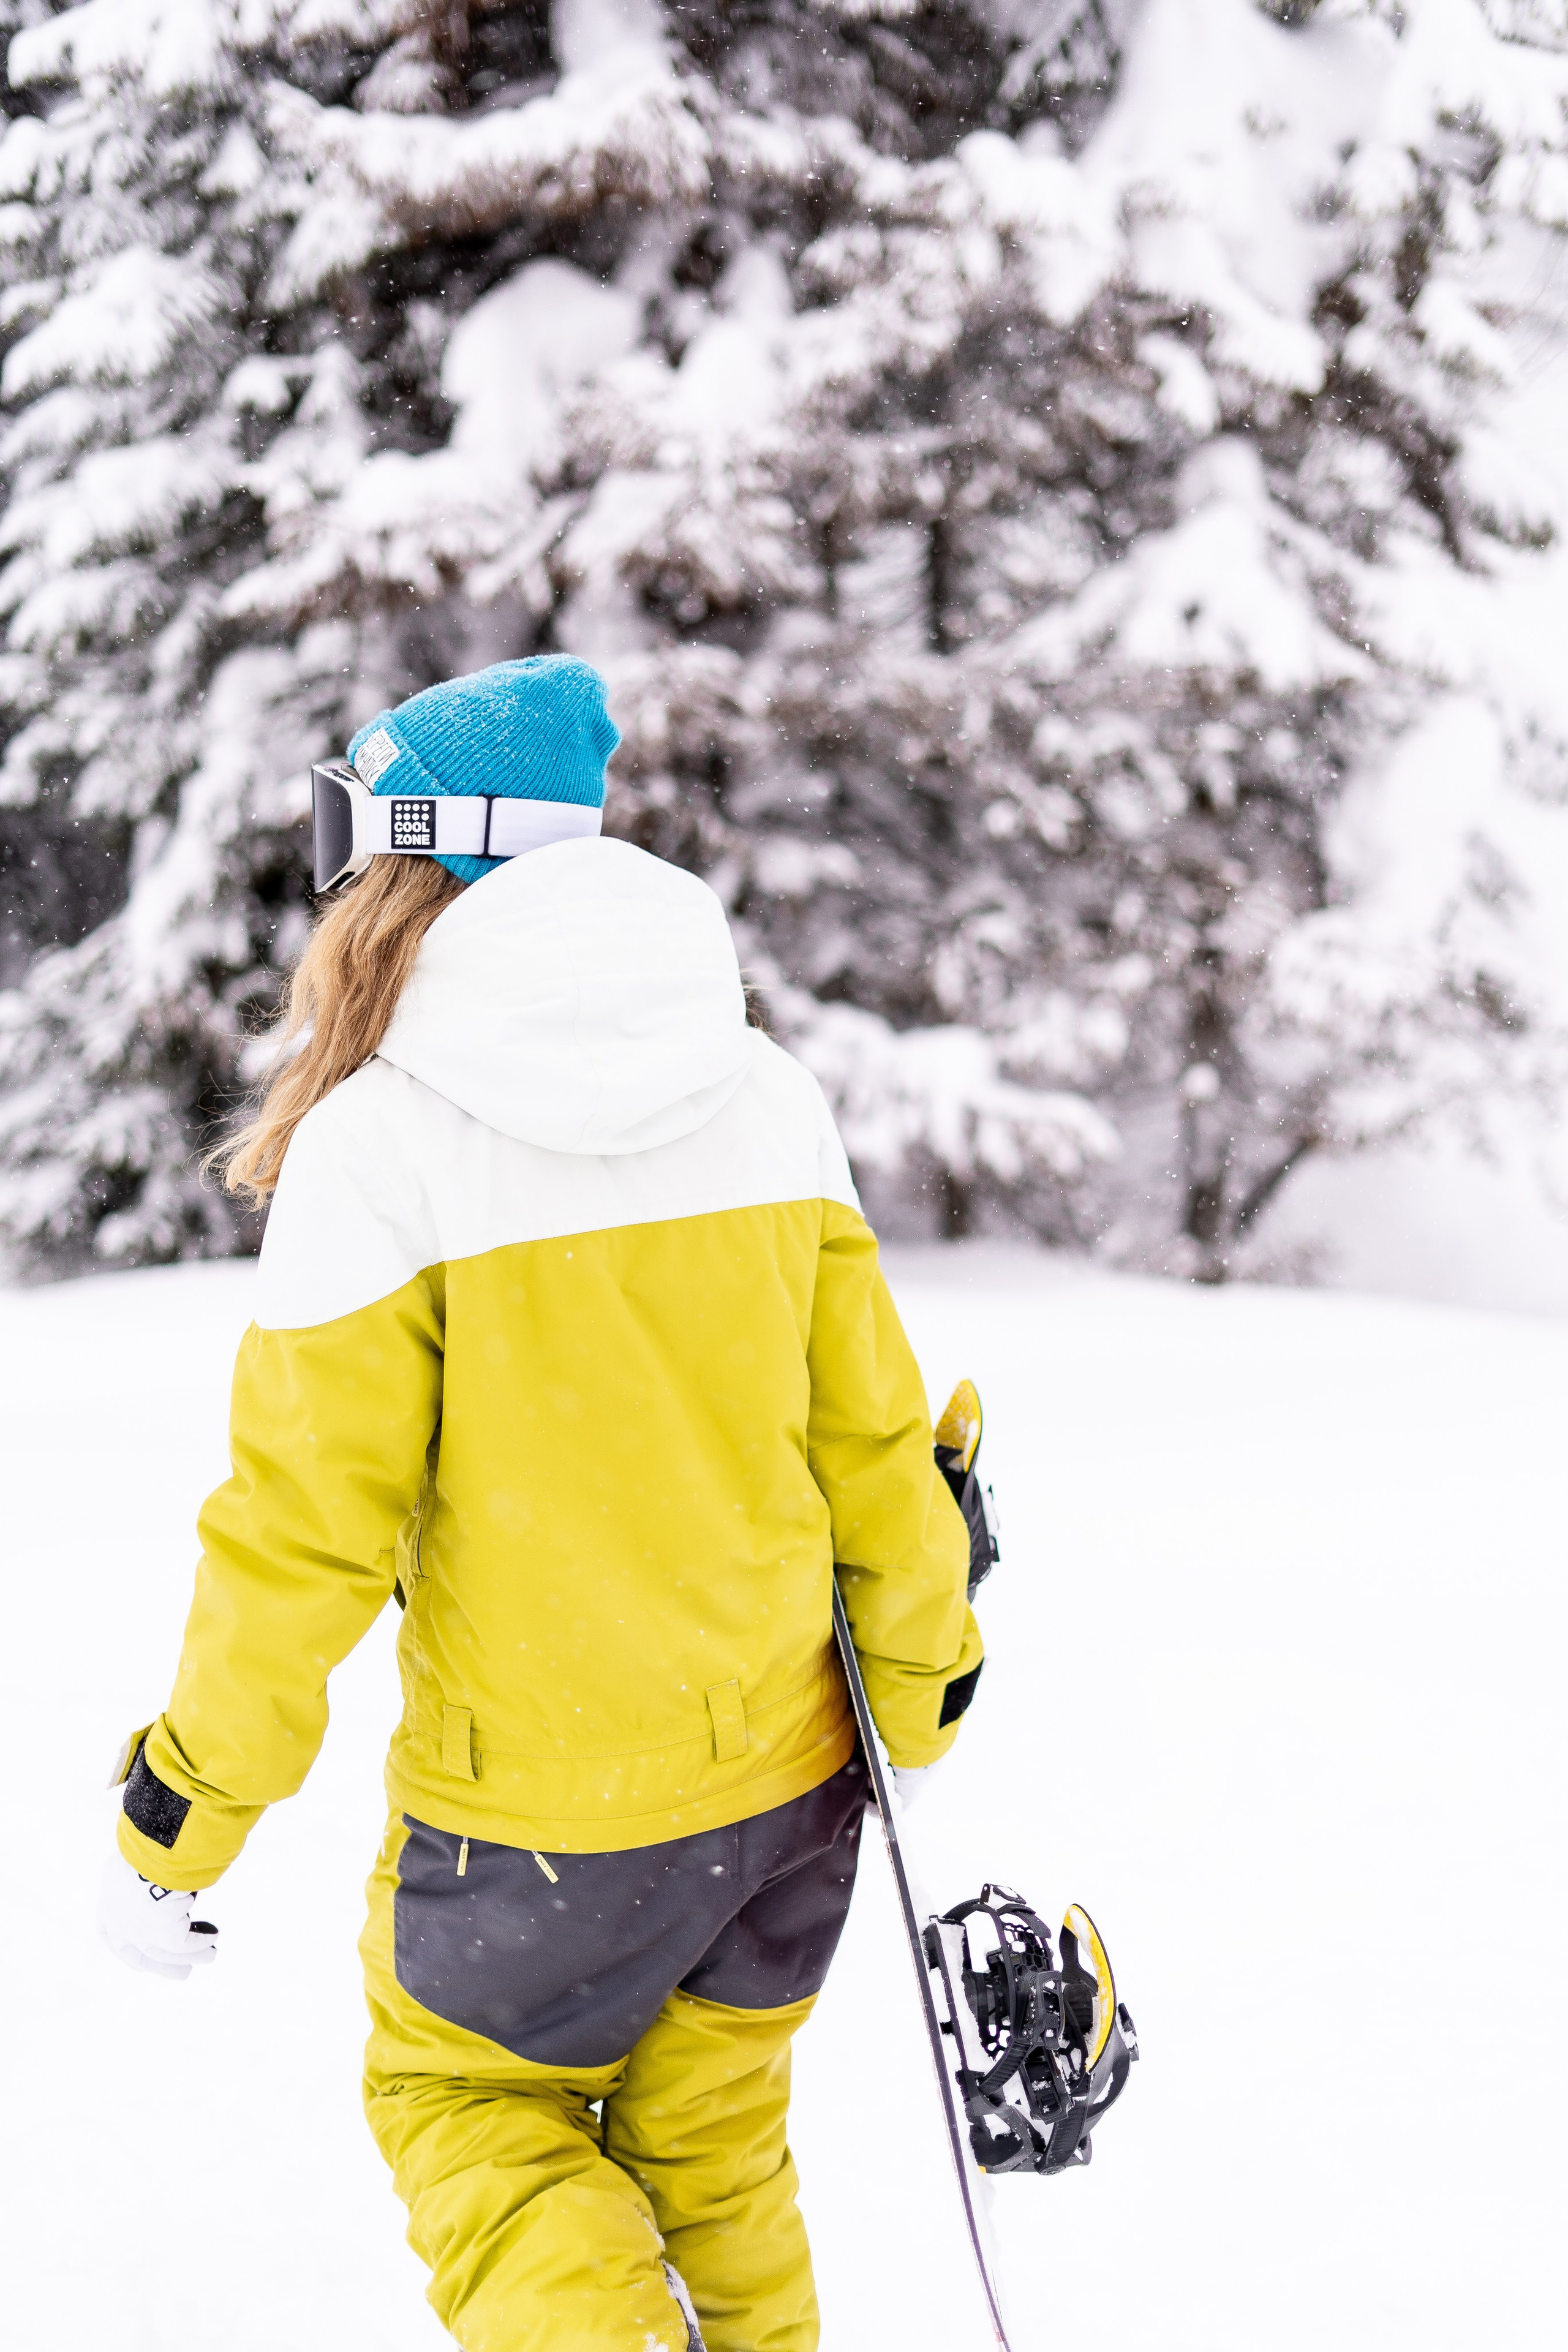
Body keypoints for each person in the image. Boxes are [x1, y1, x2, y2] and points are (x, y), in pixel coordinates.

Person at [98, 655, 984, 2352]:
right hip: (786, 1798)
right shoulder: (764, 1093)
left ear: (421, 862)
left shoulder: (385, 1146)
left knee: (470, 2118)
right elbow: (875, 1447)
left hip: (536, 1835)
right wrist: (925, 1684)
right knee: (714, 2162)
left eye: (354, 847)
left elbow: (306, 1534)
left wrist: (181, 1815)